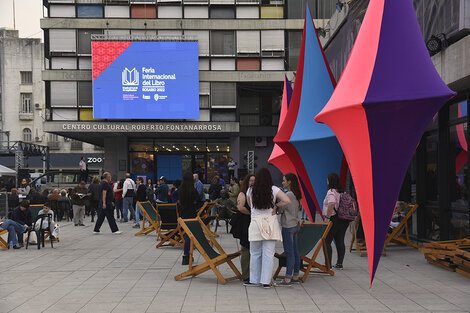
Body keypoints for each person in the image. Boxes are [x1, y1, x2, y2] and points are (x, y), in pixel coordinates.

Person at [246, 168, 290, 288]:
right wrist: (276, 206)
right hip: (270, 223)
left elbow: (250, 206)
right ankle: (265, 281)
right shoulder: (274, 189)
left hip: (255, 223)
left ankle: (254, 280)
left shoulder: (250, 190)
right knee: (268, 254)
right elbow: (287, 200)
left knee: (255, 253)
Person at [275, 173, 302, 286]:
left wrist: (277, 205)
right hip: (295, 224)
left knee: (289, 252)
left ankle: (287, 278)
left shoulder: (288, 195)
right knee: (295, 251)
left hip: (288, 225)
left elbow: (281, 209)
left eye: (284, 180)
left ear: (290, 182)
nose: (283, 183)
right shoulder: (296, 194)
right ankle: (295, 275)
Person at [323, 172, 350, 269]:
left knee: (326, 241)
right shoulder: (340, 191)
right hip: (343, 219)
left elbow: (331, 203)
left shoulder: (331, 191)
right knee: (340, 240)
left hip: (333, 218)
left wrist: (328, 217)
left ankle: (328, 264)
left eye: (327, 179)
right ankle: (339, 263)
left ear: (330, 181)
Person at [236, 174, 255, 283]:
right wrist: (252, 213)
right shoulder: (242, 193)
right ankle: (246, 275)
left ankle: (252, 273)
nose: (253, 183)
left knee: (253, 250)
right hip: (245, 224)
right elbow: (240, 207)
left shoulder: (255, 194)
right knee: (246, 249)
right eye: (251, 181)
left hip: (253, 222)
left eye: (254, 181)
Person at [179, 172, 201, 265]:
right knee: (190, 235)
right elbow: (199, 200)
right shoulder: (192, 190)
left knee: (187, 234)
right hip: (191, 212)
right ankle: (187, 255)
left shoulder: (181, 189)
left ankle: (186, 255)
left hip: (183, 213)